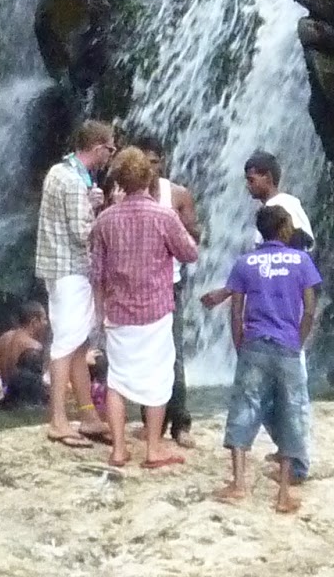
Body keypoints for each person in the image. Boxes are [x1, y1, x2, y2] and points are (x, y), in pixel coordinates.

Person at [88, 145, 199, 469]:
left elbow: (97, 273)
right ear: (149, 177)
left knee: (118, 381)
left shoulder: (105, 220)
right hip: (156, 310)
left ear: (120, 181)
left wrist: (98, 315)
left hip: (118, 313)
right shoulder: (164, 216)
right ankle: (153, 449)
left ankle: (119, 450)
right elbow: (190, 253)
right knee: (158, 377)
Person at [214, 205, 321, 514]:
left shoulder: (245, 263)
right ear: (285, 228)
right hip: (287, 346)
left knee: (244, 407)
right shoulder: (301, 260)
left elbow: (236, 309)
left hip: (254, 344)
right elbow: (310, 308)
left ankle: (237, 485)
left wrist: (239, 343)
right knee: (290, 412)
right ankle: (284, 495)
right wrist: (298, 342)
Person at [34, 120, 116, 449]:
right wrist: (99, 210)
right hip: (72, 269)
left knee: (79, 344)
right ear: (98, 148)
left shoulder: (60, 172)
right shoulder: (71, 181)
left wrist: (89, 202)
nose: (111, 155)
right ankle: (57, 420)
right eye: (110, 149)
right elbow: (82, 233)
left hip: (58, 266)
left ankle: (89, 417)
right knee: (67, 343)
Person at [138, 135, 202, 451]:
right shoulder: (125, 193)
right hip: (136, 285)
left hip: (169, 283)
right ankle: (153, 423)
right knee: (144, 355)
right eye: (142, 161)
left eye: (152, 161)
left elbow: (196, 236)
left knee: (173, 353)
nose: (147, 167)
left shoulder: (176, 195)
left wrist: (177, 226)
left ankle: (181, 423)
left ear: (160, 162)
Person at [199, 150, 315, 310]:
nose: (247, 186)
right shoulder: (283, 206)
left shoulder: (282, 209)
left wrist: (226, 291)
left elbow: (279, 260)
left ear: (267, 177)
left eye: (251, 180)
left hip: (285, 302)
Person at [0, 302, 49, 409]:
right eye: (44, 319)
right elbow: (35, 387)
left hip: (6, 401)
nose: (46, 323)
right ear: (34, 322)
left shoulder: (6, 337)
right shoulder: (34, 346)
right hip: (26, 404)